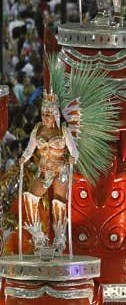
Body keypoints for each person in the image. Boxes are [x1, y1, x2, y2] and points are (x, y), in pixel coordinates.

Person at [19, 90, 78, 253]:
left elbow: (74, 150)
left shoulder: (63, 130)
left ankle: (59, 239)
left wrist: (73, 159)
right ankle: (38, 237)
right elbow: (30, 149)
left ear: (55, 115)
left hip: (60, 169)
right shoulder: (37, 129)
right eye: (43, 113)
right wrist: (24, 158)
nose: (45, 117)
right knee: (30, 197)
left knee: (58, 202)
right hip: (44, 170)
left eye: (48, 114)